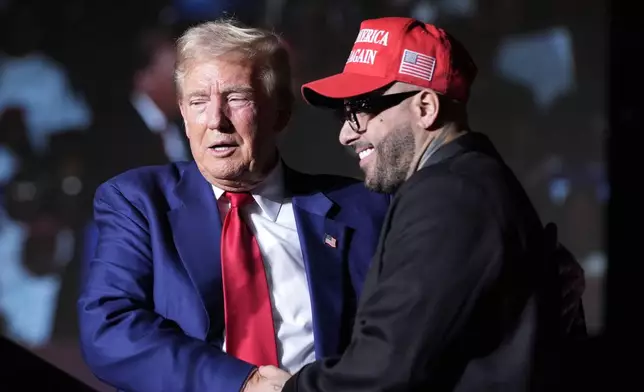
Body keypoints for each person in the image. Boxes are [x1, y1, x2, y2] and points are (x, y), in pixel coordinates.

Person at [263, 17, 584, 391]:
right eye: (343, 113)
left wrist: (292, 389)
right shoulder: (468, 184)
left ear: (426, 107)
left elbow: (388, 366)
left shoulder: (449, 198)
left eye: (360, 109)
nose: (346, 133)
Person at [77, 19, 389, 392]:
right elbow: (109, 328)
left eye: (237, 98)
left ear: (281, 113)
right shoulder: (139, 202)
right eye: (197, 102)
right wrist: (242, 383)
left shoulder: (361, 210)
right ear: (184, 114)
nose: (215, 120)